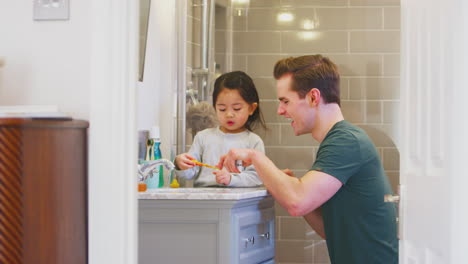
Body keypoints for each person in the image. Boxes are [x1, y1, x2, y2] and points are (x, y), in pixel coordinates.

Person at [217, 55, 398, 263]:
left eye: (285, 101)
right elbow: (330, 231)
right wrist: (282, 184)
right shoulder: (338, 140)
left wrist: (254, 156)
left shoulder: (345, 141)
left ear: (313, 97)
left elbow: (297, 202)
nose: (280, 110)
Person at [174, 71, 267, 187]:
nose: (229, 114)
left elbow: (256, 177)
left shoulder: (253, 141)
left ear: (251, 108)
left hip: (240, 201)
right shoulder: (203, 137)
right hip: (205, 198)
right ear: (215, 108)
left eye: (237, 108)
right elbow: (190, 173)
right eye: (222, 109)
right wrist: (180, 164)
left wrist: (231, 179)